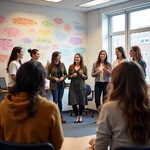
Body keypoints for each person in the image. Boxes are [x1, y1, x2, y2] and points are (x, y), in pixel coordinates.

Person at [0, 61, 64, 150]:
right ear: (41, 82)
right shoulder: (50, 108)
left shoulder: (2, 107)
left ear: (18, 79)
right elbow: (57, 144)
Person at [89, 61, 150, 150]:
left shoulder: (109, 108)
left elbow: (100, 147)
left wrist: (95, 143)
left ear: (116, 81)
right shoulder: (147, 105)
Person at [47, 51, 67, 123]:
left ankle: (60, 116)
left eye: (60, 56)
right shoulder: (50, 65)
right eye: (58, 56)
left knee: (60, 101)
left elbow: (66, 74)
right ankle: (54, 117)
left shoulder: (62, 64)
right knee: (55, 101)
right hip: (54, 85)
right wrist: (54, 78)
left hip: (61, 85)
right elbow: (47, 76)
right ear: (54, 57)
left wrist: (63, 77)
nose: (60, 57)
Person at [68, 53, 88, 123]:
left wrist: (82, 74)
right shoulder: (71, 66)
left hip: (81, 86)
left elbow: (86, 77)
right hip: (73, 86)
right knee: (73, 102)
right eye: (75, 57)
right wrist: (72, 76)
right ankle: (76, 116)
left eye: (78, 57)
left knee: (81, 102)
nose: (76, 58)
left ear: (80, 59)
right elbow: (68, 76)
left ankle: (80, 116)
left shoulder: (84, 67)